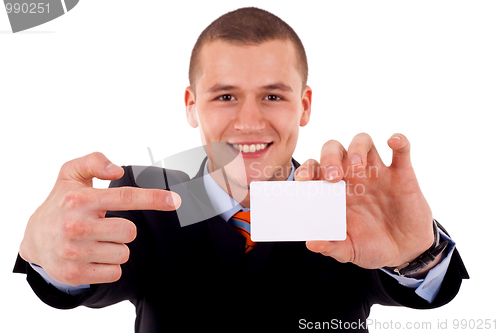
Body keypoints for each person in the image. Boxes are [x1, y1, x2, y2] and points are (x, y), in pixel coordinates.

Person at [14, 7, 468, 332]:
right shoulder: (140, 192)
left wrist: (419, 256)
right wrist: (45, 255)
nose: (249, 122)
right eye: (225, 96)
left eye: (272, 95)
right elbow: (77, 283)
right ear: (191, 106)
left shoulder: (348, 200)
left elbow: (428, 291)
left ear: (304, 105)